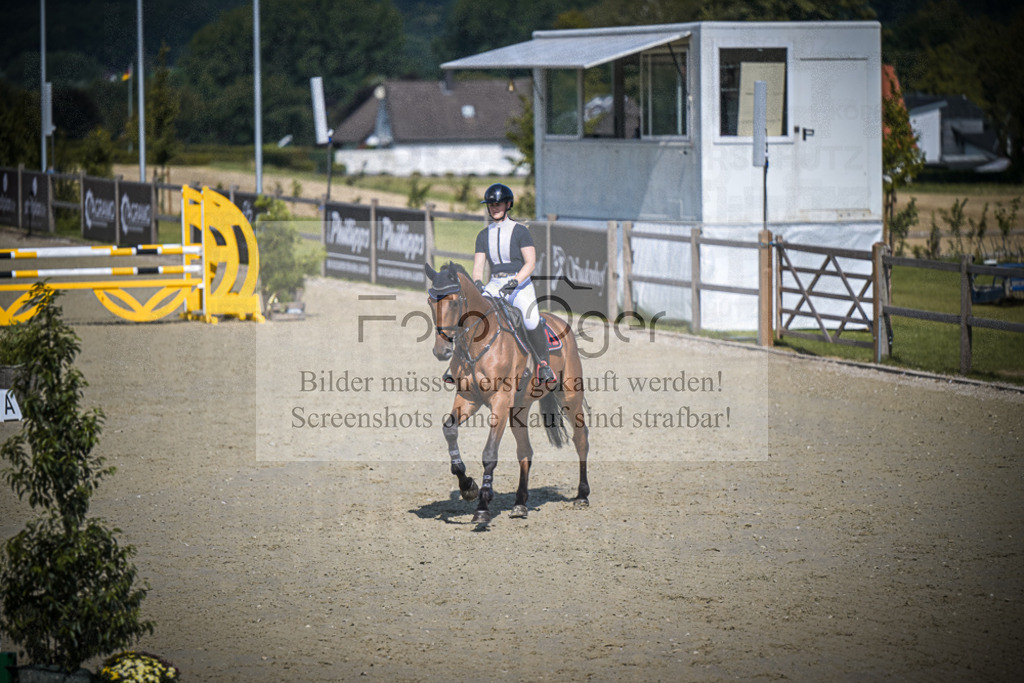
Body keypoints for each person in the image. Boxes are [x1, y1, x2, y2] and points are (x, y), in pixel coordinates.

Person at [447, 183, 556, 385]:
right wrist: (478, 283)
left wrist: (515, 282)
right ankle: (457, 362)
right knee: (472, 314)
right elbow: (478, 265)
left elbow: (530, 263)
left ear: (508, 205)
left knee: (530, 319)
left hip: (520, 283)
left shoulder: (520, 231)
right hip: (495, 283)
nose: (494, 208)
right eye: (491, 204)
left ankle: (543, 364)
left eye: (498, 204)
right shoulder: (483, 235)